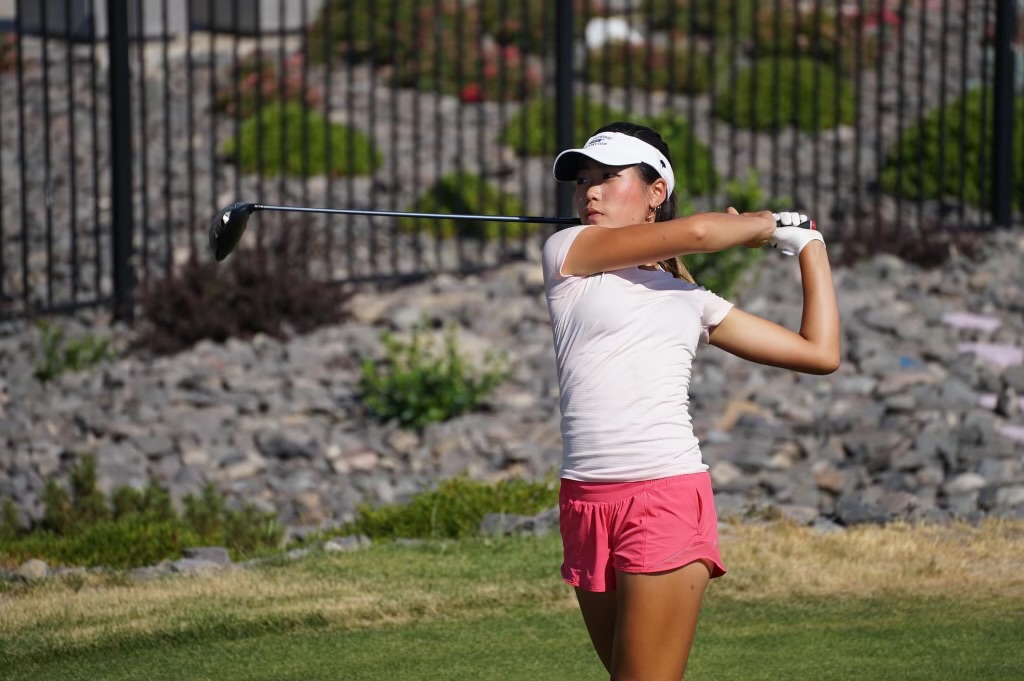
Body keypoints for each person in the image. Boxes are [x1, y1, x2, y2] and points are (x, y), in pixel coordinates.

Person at [542, 121, 840, 681]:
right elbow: (701, 234)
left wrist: (807, 245)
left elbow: (819, 352)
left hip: (663, 495)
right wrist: (764, 225)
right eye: (584, 179)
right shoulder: (568, 252)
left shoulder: (691, 299)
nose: (591, 192)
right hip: (584, 502)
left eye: (609, 176)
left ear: (657, 193)